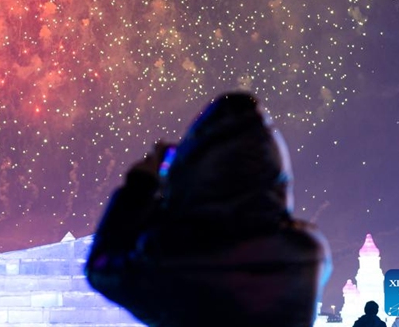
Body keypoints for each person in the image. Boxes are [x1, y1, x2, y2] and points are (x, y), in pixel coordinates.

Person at [85, 91, 332, 327]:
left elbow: (103, 268)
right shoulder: (309, 254)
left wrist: (143, 185)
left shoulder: (174, 260)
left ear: (195, 170)